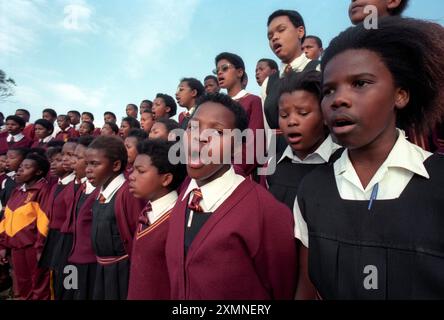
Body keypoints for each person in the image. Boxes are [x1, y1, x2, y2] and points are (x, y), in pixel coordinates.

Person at [294, 17, 444, 299]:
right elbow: (307, 288)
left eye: (360, 83)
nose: (338, 99)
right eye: (329, 91)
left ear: (399, 95)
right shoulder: (310, 190)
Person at [165, 93, 296, 299]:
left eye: (217, 131)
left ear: (237, 145)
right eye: (193, 127)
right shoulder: (184, 197)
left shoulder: (266, 211)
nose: (200, 136)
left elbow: (282, 288)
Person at [266, 71, 341, 210]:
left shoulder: (345, 162)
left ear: (325, 116)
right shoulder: (271, 166)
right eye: (284, 115)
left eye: (303, 113)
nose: (291, 121)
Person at [85, 136, 144, 300]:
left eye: (95, 164)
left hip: (123, 270)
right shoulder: (100, 191)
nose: (88, 169)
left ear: (116, 165)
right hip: (103, 267)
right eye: (87, 163)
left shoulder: (128, 193)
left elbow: (137, 236)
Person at [127, 139, 186, 300]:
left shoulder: (178, 220)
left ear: (166, 179)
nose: (131, 177)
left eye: (141, 171)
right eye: (132, 170)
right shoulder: (147, 211)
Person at [264, 10, 320, 154]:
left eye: (281, 30)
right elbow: (264, 129)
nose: (274, 38)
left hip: (318, 157)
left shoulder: (320, 69)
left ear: (300, 32)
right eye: (270, 36)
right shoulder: (268, 83)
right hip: (278, 159)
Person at [0, 151, 52, 300]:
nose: (20, 170)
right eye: (21, 166)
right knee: (22, 285)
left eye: (27, 167)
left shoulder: (42, 191)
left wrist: (40, 247)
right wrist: (3, 246)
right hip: (16, 247)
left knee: (39, 285)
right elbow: (6, 218)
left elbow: (44, 222)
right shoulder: (17, 190)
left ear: (39, 172)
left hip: (33, 247)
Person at [214, 52, 265, 177]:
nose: (219, 73)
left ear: (239, 72)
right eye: (217, 71)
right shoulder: (216, 105)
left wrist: (232, 171)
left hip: (238, 173)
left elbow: (255, 144)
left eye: (225, 68)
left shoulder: (253, 101)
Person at [59, 135, 97, 300]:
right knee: (67, 289)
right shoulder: (80, 187)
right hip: (70, 247)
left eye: (78, 157)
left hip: (88, 259)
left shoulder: (99, 192)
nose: (73, 161)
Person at [39, 141, 77, 299]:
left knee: (69, 280)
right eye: (52, 161)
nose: (53, 165)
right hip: (54, 238)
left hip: (68, 240)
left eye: (59, 160)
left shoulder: (75, 187)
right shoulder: (56, 186)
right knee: (55, 279)